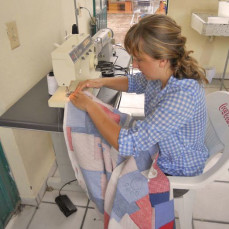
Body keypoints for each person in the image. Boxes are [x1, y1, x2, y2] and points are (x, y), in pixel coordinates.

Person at [69, 14, 209, 177]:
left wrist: (90, 105)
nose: (135, 65)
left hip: (176, 167)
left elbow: (127, 143)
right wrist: (101, 82)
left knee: (107, 164)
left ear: (162, 60)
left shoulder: (183, 96)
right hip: (163, 149)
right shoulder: (165, 72)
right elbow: (134, 82)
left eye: (140, 60)